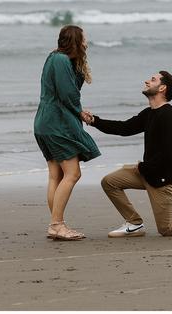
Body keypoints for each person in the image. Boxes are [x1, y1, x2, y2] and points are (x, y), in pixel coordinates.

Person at [83, 71, 172, 237]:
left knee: (166, 229)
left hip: (163, 181)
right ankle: (134, 223)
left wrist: (142, 166)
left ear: (162, 88)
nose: (147, 81)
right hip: (147, 172)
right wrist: (93, 120)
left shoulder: (168, 116)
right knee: (109, 182)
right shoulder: (149, 113)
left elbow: (170, 157)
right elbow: (124, 128)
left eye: (153, 79)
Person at [33, 25, 101, 241]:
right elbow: (68, 94)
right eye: (84, 39)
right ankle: (56, 225)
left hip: (46, 121)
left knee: (56, 175)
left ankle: (56, 224)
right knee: (73, 173)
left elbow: (67, 90)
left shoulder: (56, 58)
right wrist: (80, 112)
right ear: (75, 40)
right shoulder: (61, 60)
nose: (86, 42)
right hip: (57, 123)